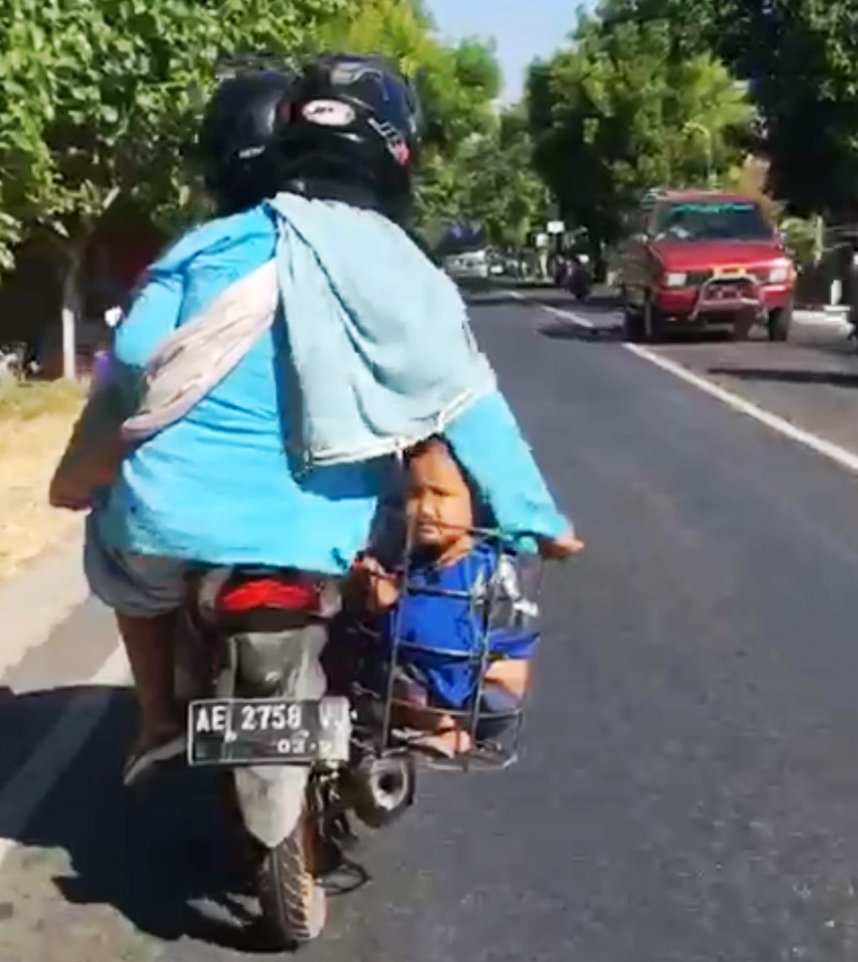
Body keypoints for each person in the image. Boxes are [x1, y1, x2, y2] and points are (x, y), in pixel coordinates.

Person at [50, 54, 582, 787]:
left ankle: (157, 721)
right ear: (398, 153)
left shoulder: (205, 247)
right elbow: (467, 401)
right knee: (404, 554)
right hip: (325, 540)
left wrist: (77, 478)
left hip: (169, 528)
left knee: (121, 562)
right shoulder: (402, 264)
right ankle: (400, 709)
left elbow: (134, 359)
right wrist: (536, 517)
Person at [351, 437, 581, 757]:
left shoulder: (473, 568)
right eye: (415, 494)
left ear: (476, 502)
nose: (426, 508)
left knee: (386, 668)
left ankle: (445, 729)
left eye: (441, 494)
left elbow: (436, 637)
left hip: (482, 695)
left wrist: (391, 604)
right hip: (482, 685)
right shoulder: (434, 559)